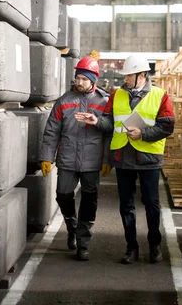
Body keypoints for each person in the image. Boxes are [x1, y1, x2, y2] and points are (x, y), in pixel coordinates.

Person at [77, 54, 174, 264]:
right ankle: (131, 248)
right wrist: (97, 121)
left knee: (151, 204)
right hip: (123, 156)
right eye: (126, 75)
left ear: (142, 75)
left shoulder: (160, 95)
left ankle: (155, 245)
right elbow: (110, 121)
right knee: (126, 206)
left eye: (129, 75)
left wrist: (144, 135)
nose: (126, 79)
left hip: (148, 158)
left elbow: (167, 126)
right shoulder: (117, 94)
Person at [40, 56, 110, 261]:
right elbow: (51, 131)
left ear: (93, 80)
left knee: (90, 201)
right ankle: (72, 227)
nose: (79, 82)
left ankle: (83, 242)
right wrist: (46, 156)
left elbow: (109, 132)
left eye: (83, 79)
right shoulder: (64, 101)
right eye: (77, 78)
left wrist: (107, 159)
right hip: (68, 157)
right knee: (62, 195)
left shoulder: (104, 102)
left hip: (92, 159)